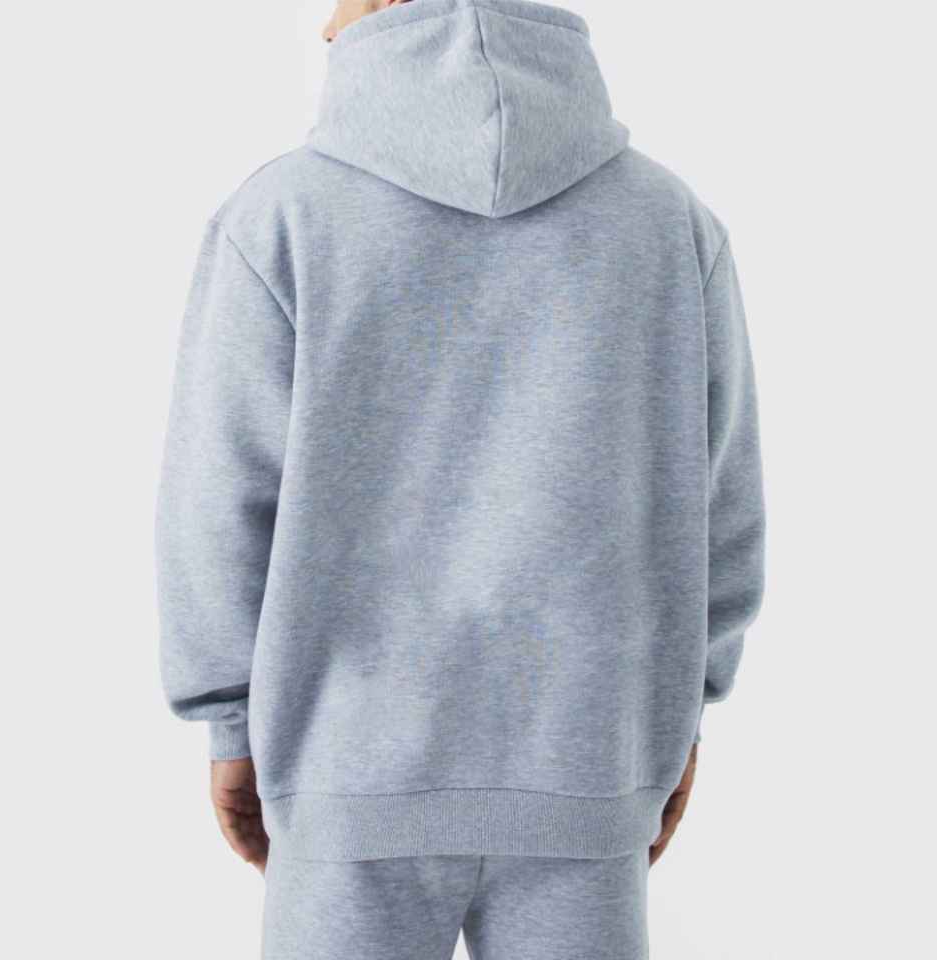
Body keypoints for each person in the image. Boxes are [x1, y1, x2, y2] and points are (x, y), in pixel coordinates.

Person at [155, 0, 765, 956]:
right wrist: (682, 712)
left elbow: (218, 504)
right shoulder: (667, 222)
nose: (324, 23)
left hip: (344, 771)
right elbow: (719, 507)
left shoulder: (281, 217)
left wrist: (229, 722)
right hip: (591, 761)